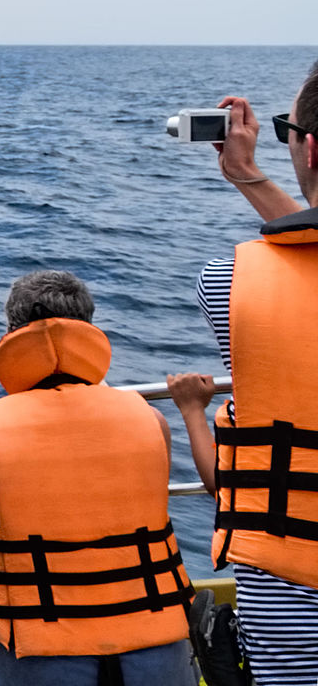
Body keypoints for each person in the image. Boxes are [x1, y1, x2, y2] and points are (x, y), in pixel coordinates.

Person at [0, 271, 196, 686]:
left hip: (44, 649)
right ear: (89, 330)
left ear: (12, 334)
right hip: (157, 641)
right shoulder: (150, 418)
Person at [164, 67, 318, 685]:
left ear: (308, 147)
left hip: (291, 592)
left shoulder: (227, 283)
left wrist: (247, 173)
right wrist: (249, 179)